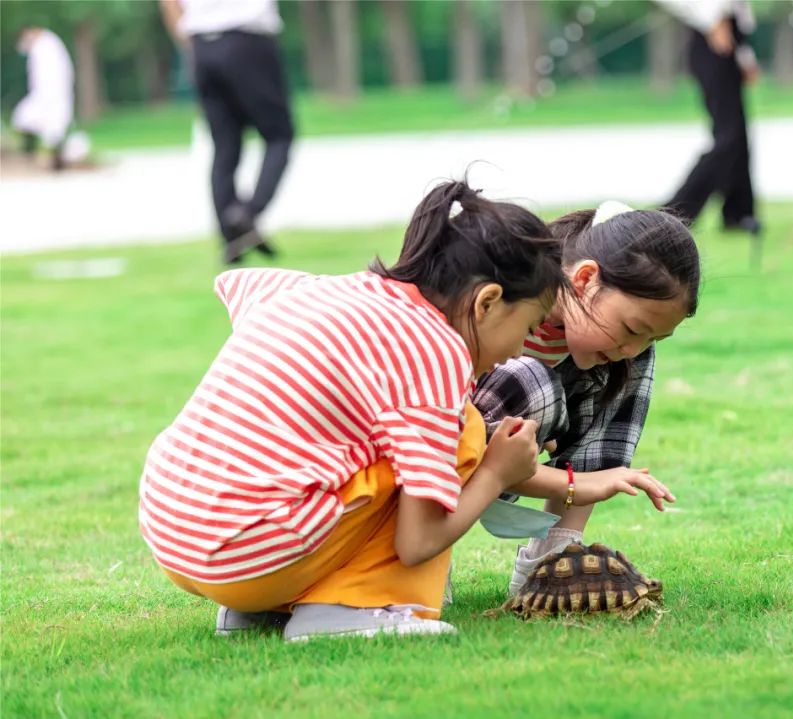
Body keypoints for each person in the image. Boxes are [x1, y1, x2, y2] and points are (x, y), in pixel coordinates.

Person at [138, 180, 568, 642]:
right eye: (526, 327)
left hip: (175, 533)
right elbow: (417, 542)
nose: (521, 349)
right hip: (246, 554)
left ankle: (262, 607)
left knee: (350, 451)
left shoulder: (331, 290)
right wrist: (495, 474)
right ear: (486, 302)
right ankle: (351, 608)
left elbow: (244, 285)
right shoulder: (435, 349)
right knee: (467, 430)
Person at [471, 201, 700, 595]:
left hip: (508, 458)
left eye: (653, 336)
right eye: (632, 328)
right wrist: (574, 482)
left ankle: (553, 553)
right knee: (533, 383)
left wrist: (578, 479)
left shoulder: (617, 350)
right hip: (439, 456)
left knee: (625, 361)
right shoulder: (500, 300)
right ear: (585, 278)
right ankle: (422, 561)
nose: (633, 347)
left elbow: (626, 348)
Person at [159, 0, 295, 263]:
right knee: (279, 135)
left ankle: (230, 239)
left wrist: (193, 45)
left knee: (225, 146)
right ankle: (247, 213)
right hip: (248, 40)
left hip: (202, 44)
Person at [657, 0, 761, 236]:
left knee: (738, 134)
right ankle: (675, 212)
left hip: (731, 34)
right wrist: (713, 20)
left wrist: (745, 55)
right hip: (711, 34)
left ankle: (738, 212)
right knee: (729, 136)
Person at [11, 26, 74, 172]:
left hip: (51, 96)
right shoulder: (45, 46)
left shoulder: (46, 46)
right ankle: (35, 156)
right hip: (46, 95)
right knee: (27, 121)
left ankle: (50, 160)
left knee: (51, 128)